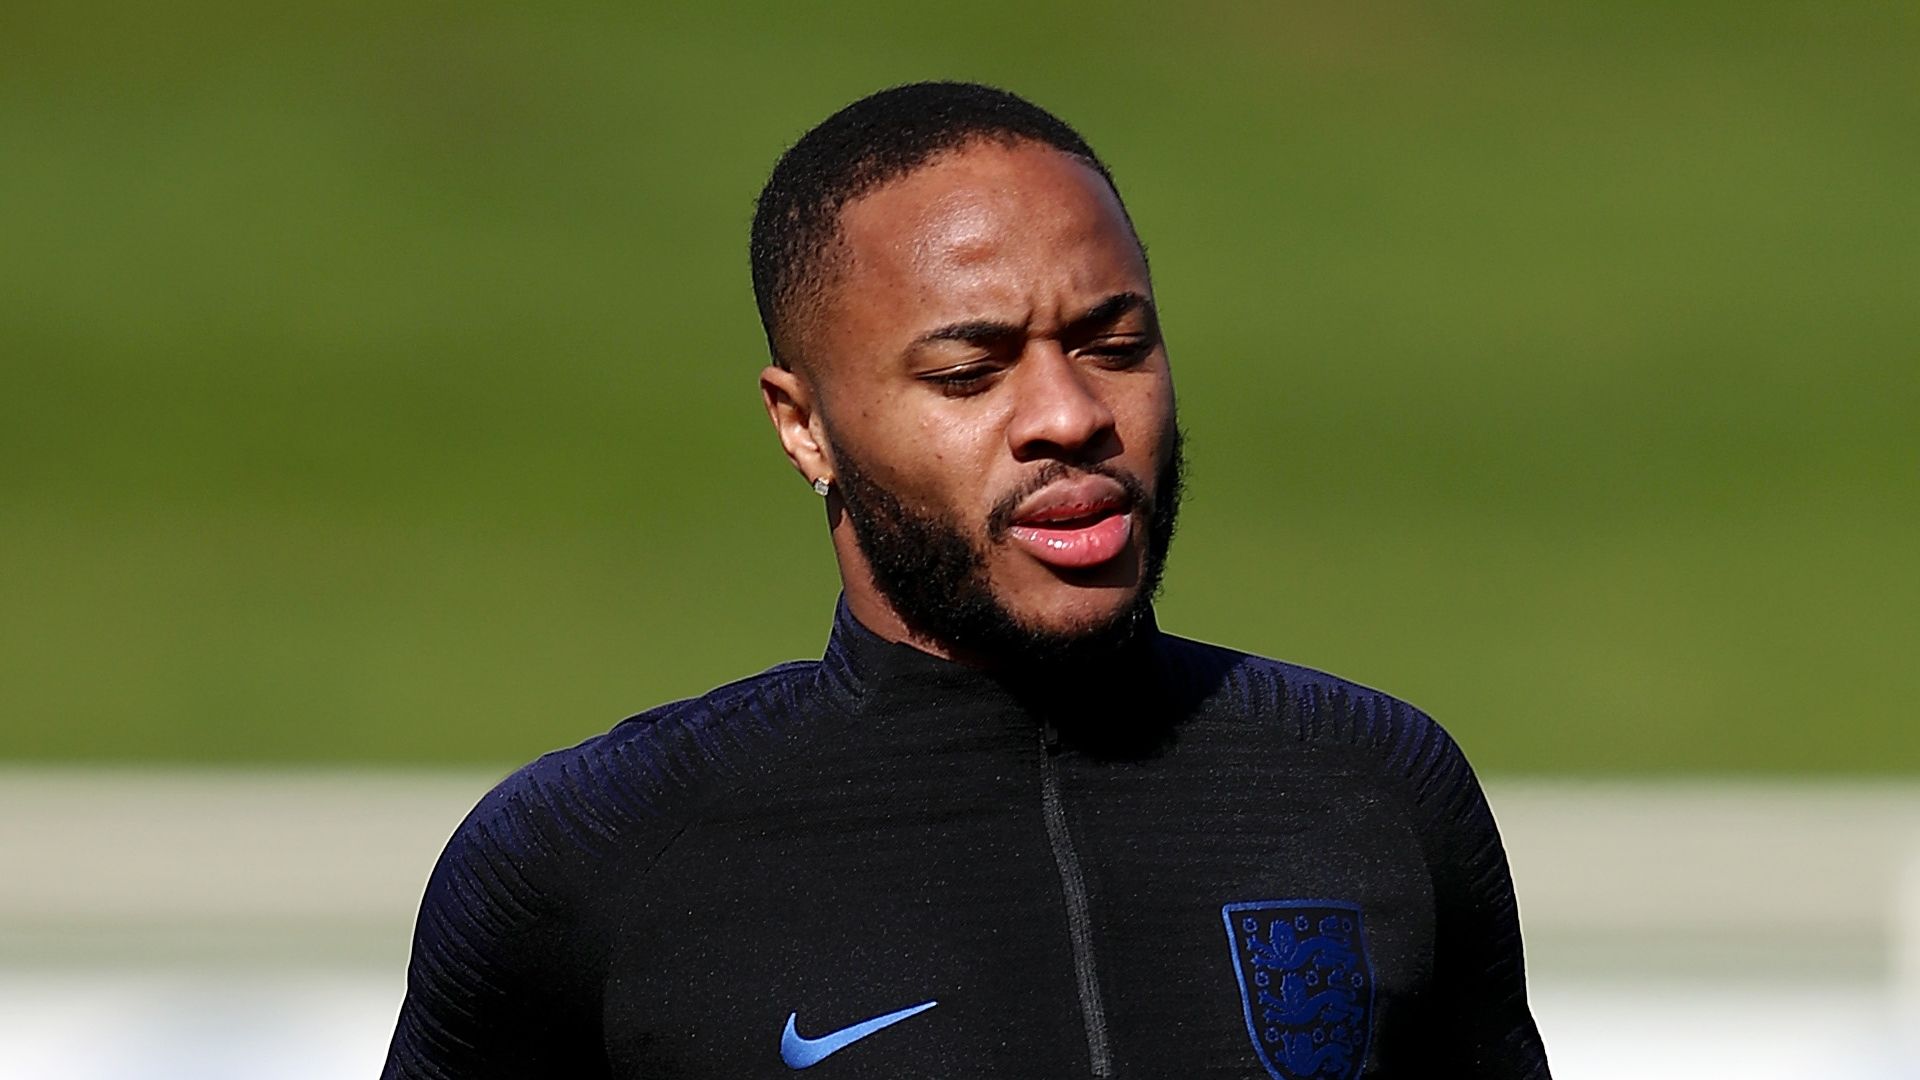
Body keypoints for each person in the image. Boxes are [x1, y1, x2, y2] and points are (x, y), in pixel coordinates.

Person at [382, 81, 1550, 1080]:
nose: (1070, 416)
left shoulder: (1374, 788)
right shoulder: (587, 864)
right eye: (968, 373)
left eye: (1115, 344)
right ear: (805, 427)